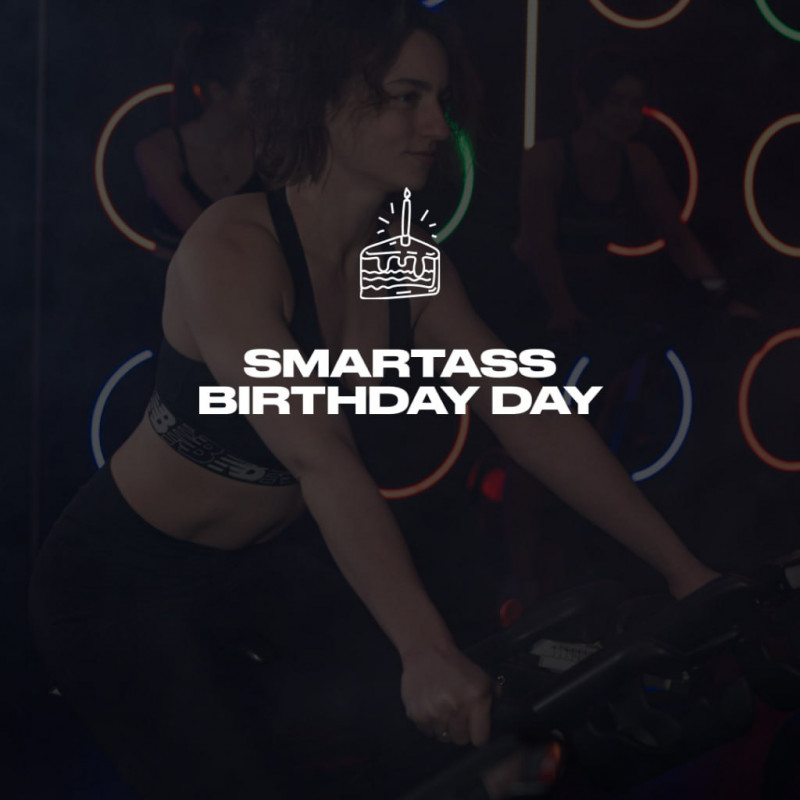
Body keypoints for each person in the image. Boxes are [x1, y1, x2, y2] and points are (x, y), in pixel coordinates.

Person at [30, 4, 718, 798]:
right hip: (120, 583)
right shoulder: (235, 248)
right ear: (325, 100)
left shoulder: (398, 261)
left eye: (440, 100)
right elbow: (320, 458)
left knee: (460, 744)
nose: (436, 125)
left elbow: (527, 412)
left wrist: (684, 569)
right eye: (405, 98)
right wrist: (423, 649)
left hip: (258, 569)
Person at [513, 49, 758, 337]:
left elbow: (678, 237)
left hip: (588, 288)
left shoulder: (639, 161)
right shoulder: (546, 159)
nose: (626, 115)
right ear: (587, 102)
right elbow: (541, 246)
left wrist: (722, 298)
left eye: (635, 104)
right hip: (530, 287)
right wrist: (562, 308)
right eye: (615, 101)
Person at [135, 19, 262, 257]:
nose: (268, 94)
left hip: (249, 275)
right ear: (217, 91)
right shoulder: (158, 152)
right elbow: (207, 236)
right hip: (175, 279)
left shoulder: (267, 146)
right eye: (256, 86)